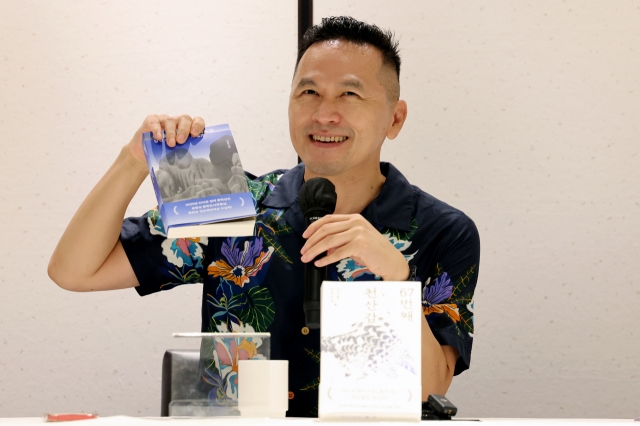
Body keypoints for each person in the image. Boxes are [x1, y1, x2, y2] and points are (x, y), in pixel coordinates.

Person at [48, 16, 480, 417]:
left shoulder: (445, 230)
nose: (324, 113)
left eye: (349, 94)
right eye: (308, 92)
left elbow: (431, 387)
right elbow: (74, 271)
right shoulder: (233, 203)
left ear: (395, 117)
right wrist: (133, 160)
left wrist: (397, 281)